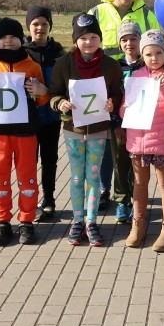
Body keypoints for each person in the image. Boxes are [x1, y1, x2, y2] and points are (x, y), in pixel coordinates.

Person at [0, 18, 50, 246]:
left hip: (26, 133)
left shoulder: (32, 65)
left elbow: (42, 99)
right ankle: (2, 222)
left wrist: (42, 91)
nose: (8, 41)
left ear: (21, 39)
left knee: (27, 178)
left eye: (13, 37)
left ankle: (26, 222)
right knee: (0, 177)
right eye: (3, 37)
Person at [89, 0, 161, 213]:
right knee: (103, 141)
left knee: (124, 144)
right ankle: (102, 190)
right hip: (103, 85)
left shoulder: (148, 15)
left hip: (136, 86)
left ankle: (125, 196)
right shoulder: (96, 12)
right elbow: (84, 45)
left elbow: (158, 49)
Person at [49, 14, 123, 246]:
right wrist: (60, 103)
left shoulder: (110, 66)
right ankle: (77, 221)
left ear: (100, 39)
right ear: (75, 40)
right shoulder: (64, 63)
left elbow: (117, 94)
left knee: (93, 176)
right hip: (73, 129)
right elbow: (54, 94)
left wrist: (113, 103)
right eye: (83, 38)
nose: (89, 42)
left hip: (99, 129)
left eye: (93, 37)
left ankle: (91, 222)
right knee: (76, 176)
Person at [121, 29, 164, 252]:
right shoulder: (136, 76)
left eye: (158, 53)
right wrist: (124, 108)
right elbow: (124, 110)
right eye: (149, 54)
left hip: (161, 141)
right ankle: (138, 226)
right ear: (142, 55)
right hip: (138, 142)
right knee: (139, 184)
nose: (154, 58)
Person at [23, 6, 66, 222]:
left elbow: (65, 85)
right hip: (28, 119)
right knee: (29, 161)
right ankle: (31, 201)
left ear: (50, 26)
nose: (40, 28)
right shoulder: (21, 53)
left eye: (44, 24)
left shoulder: (59, 53)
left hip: (52, 117)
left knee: (50, 159)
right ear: (28, 26)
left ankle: (48, 199)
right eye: (35, 24)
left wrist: (46, 93)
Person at [111, 20, 145, 224]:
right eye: (124, 39)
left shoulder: (147, 64)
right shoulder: (115, 66)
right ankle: (123, 201)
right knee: (120, 163)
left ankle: (137, 200)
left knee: (139, 166)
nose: (129, 43)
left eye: (133, 38)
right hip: (121, 125)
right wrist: (115, 123)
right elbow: (111, 95)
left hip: (142, 125)